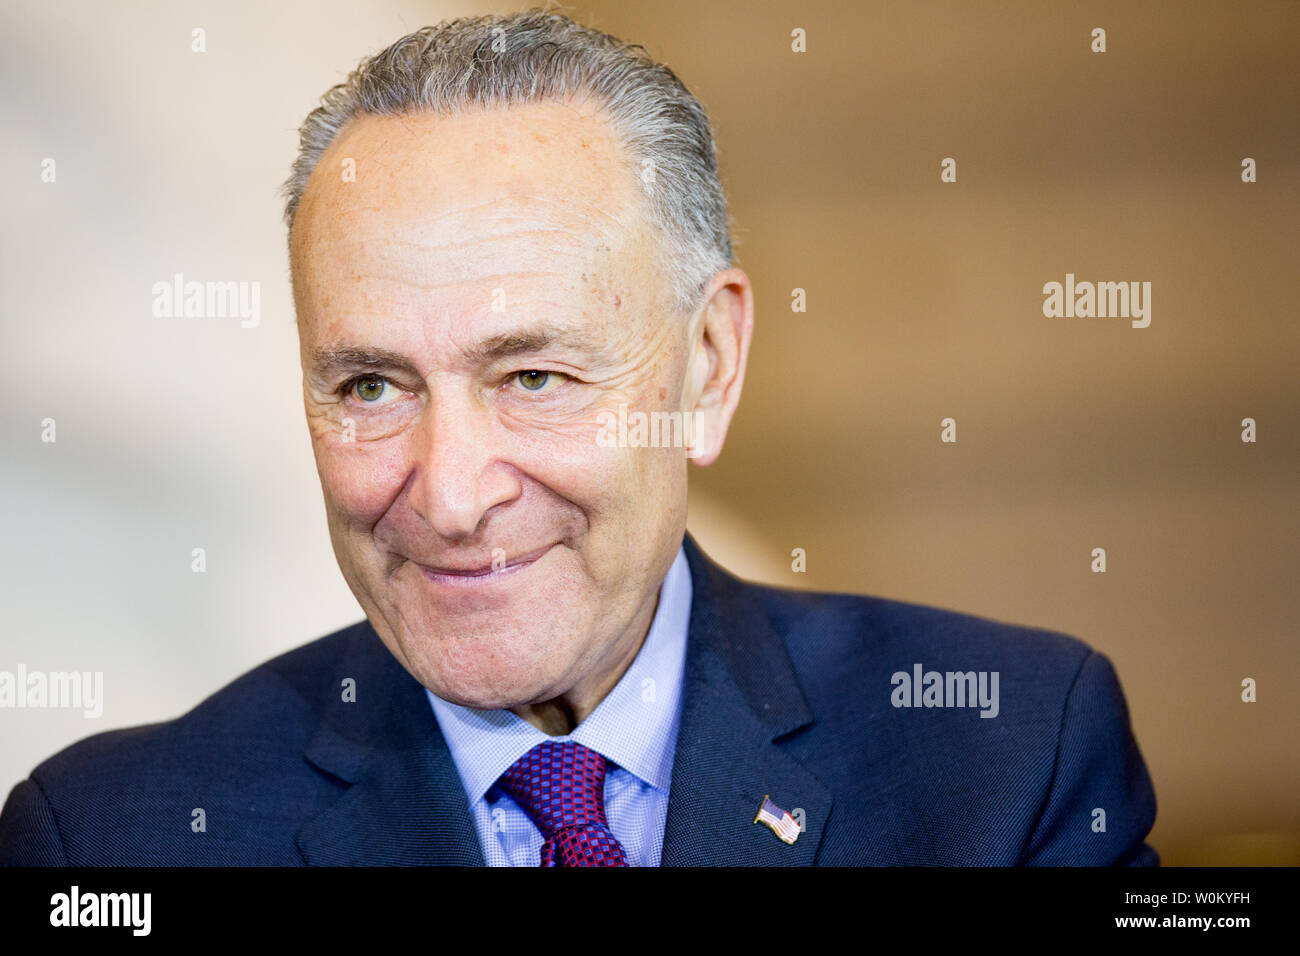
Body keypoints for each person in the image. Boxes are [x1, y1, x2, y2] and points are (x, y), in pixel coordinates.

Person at [0, 9, 1157, 866]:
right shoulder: (110, 841)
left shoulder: (1007, 761)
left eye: (534, 375)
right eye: (368, 386)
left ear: (707, 367)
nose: (449, 497)